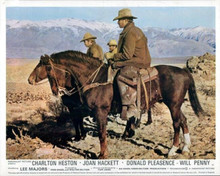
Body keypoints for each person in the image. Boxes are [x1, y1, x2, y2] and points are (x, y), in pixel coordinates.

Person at [111, 8, 152, 121]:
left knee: (121, 76)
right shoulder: (134, 30)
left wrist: (113, 57)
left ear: (125, 20)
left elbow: (127, 55)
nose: (118, 22)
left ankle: (131, 106)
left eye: (119, 20)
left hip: (137, 61)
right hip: (140, 59)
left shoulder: (130, 33)